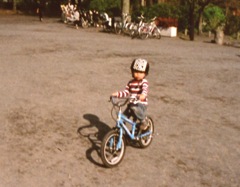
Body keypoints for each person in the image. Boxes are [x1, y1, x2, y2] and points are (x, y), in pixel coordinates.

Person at [112, 58, 150, 130]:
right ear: (132, 72)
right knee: (122, 117)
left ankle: (144, 121)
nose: (138, 74)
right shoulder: (131, 82)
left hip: (140, 105)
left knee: (135, 108)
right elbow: (126, 92)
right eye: (135, 72)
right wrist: (117, 94)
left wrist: (142, 95)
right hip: (131, 104)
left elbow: (145, 90)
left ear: (145, 73)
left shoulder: (144, 82)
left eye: (141, 72)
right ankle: (120, 131)